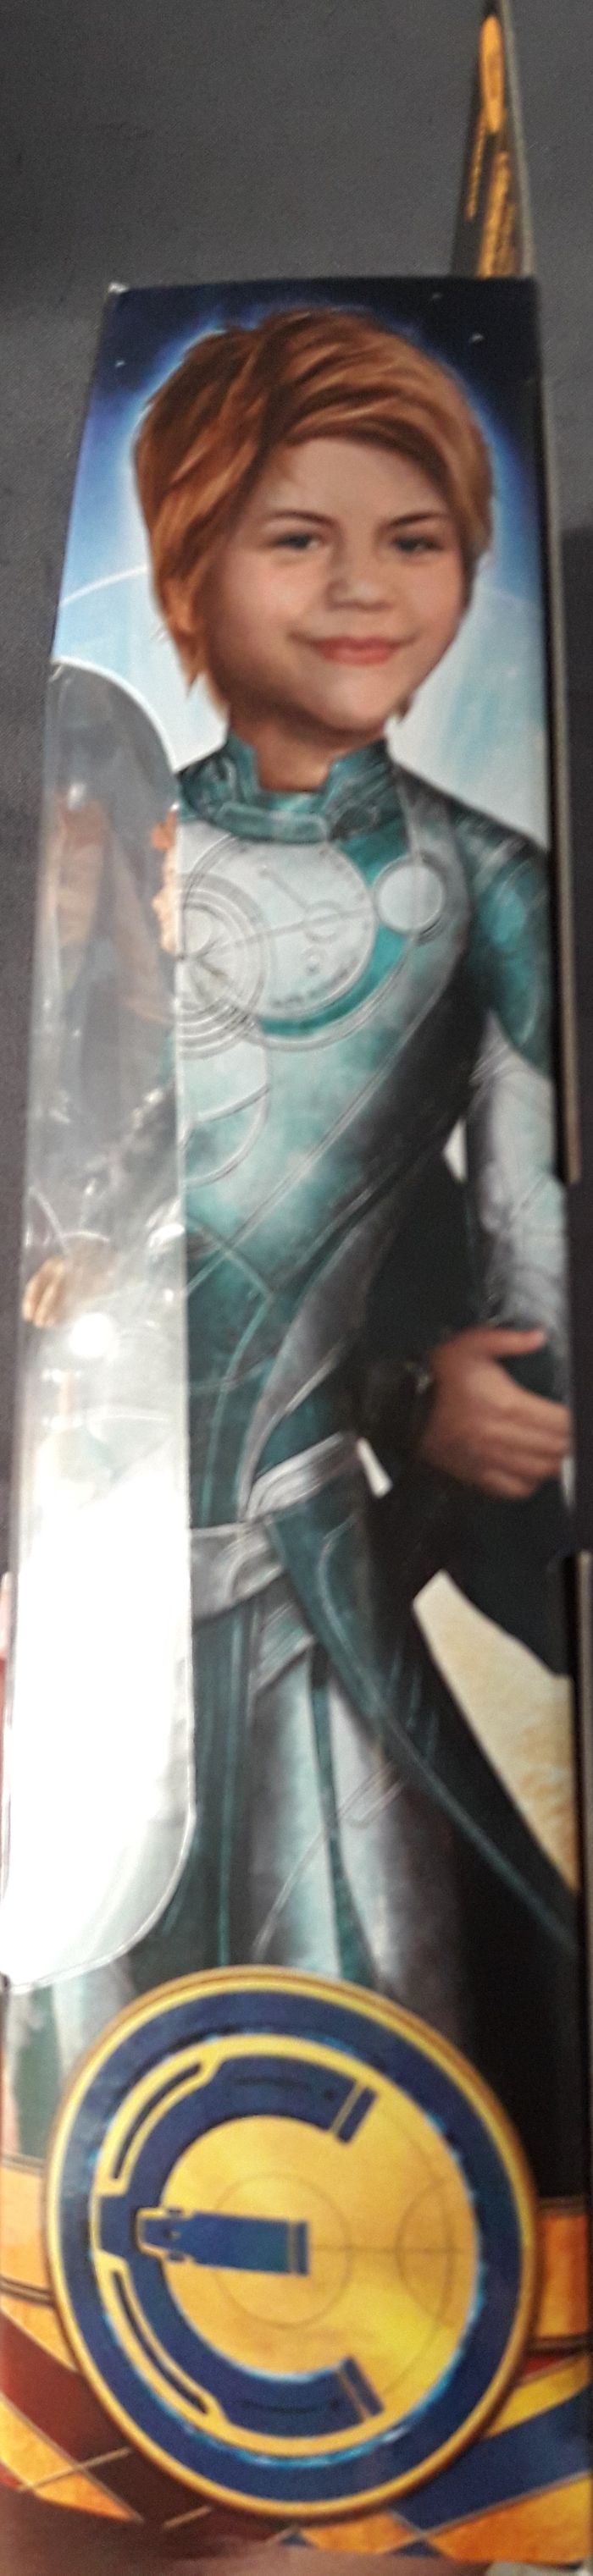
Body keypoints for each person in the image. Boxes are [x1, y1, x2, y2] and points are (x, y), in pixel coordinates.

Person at [19, 308, 583, 2189]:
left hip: (299, 1589)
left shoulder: (487, 889)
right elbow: (71, 1205)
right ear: (189, 561)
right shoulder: (106, 851)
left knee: (372, 2076)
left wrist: (437, 1408)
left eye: (413, 540)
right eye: (297, 537)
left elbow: (528, 1282)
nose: (361, 587)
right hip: (86, 1586)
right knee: (77, 2091)